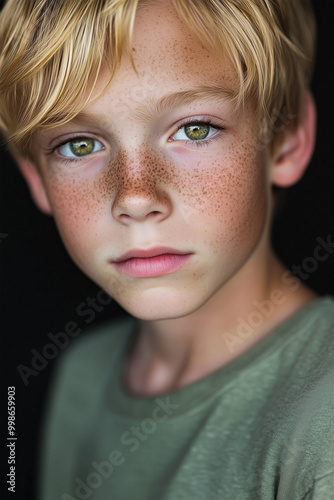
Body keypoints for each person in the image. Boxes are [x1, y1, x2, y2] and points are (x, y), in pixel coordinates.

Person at [0, 0, 333, 499]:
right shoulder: (82, 375)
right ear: (37, 179)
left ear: (285, 141)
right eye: (79, 144)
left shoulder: (322, 412)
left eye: (195, 129)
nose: (135, 197)